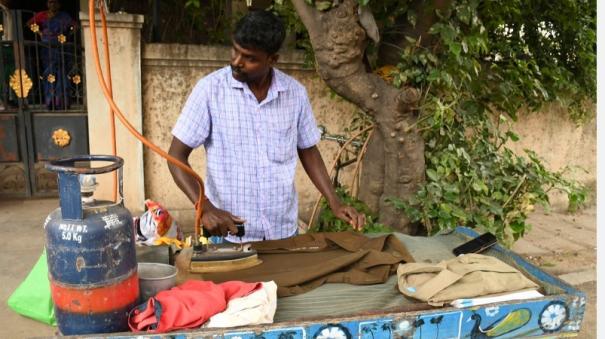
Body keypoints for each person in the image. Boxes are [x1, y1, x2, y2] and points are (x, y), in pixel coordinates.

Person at [168, 10, 366, 243]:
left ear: (272, 60)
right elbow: (175, 157)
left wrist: (335, 201)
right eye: (235, 51)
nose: (236, 62)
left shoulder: (295, 94)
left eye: (249, 58)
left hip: (282, 231)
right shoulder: (210, 91)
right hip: (229, 233)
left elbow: (308, 151)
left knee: (283, 281)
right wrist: (205, 207)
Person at [27, 0, 76, 109]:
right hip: (47, 48)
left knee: (62, 73)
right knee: (49, 74)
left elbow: (75, 26)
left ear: (59, 4)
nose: (52, 4)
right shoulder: (42, 15)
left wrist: (67, 36)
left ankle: (61, 102)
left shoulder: (64, 16)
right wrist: (39, 33)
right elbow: (30, 23)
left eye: (54, 2)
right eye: (50, 2)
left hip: (60, 47)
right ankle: (50, 101)